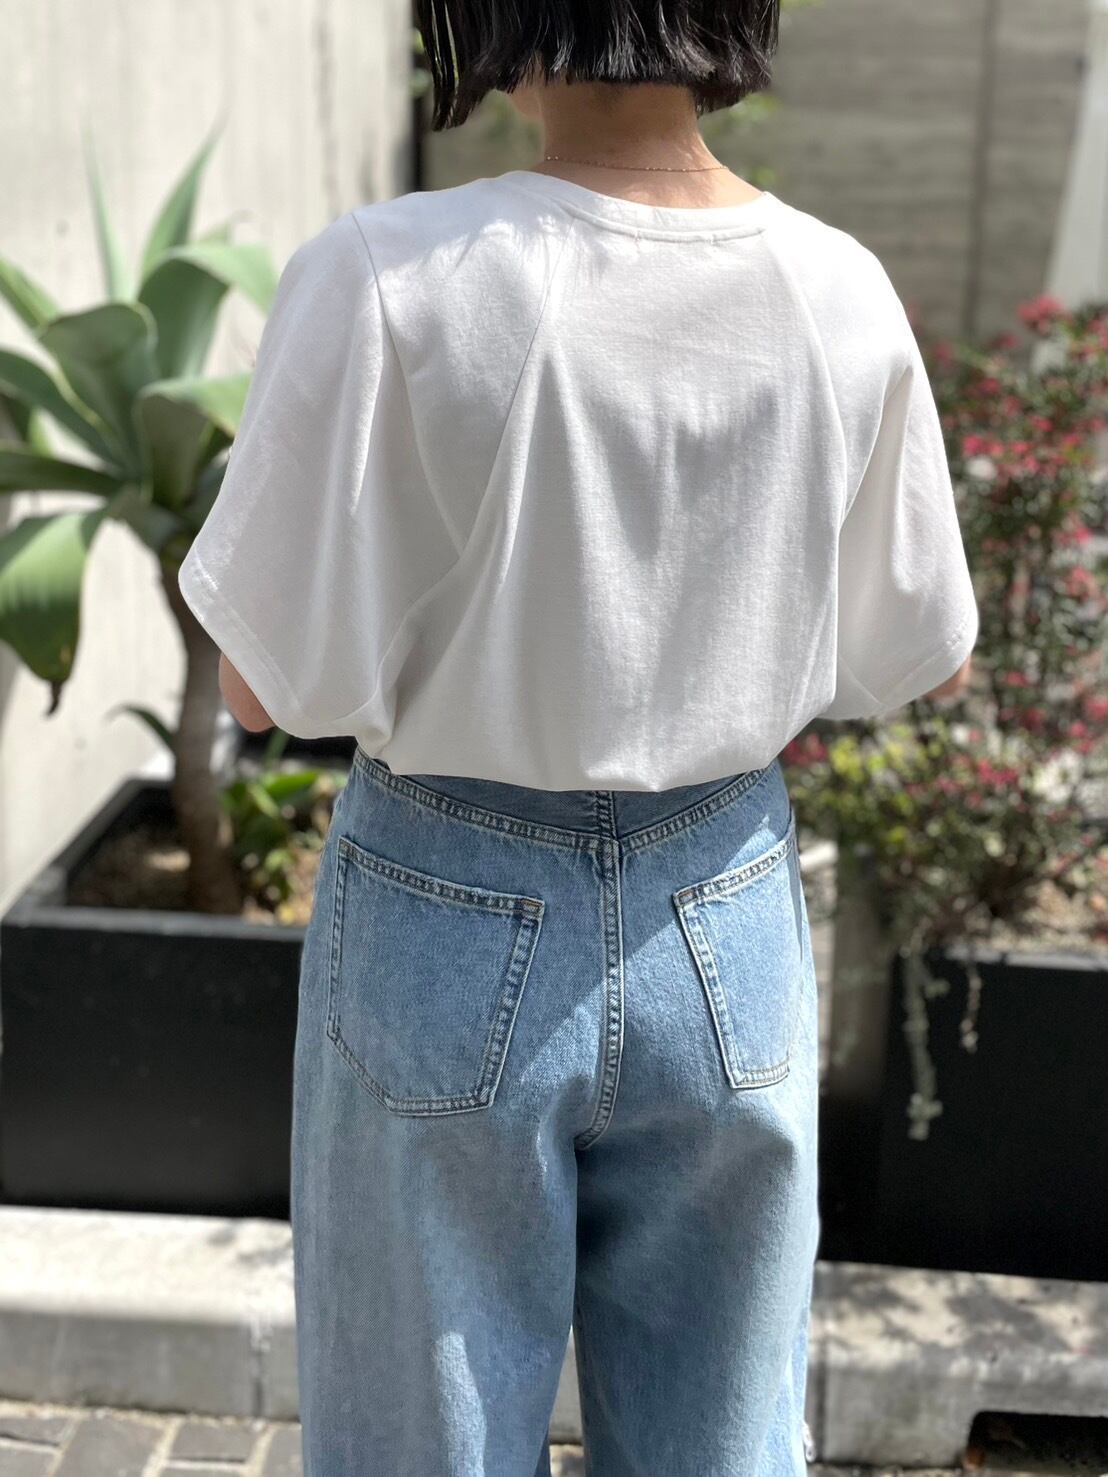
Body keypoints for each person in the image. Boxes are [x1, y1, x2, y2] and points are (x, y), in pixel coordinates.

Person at [176, 2, 979, 1472]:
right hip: (725, 908)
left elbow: (257, 686)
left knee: (419, 1444)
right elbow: (917, 646)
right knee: (722, 1443)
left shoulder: (387, 274)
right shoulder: (837, 289)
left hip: (441, 898)